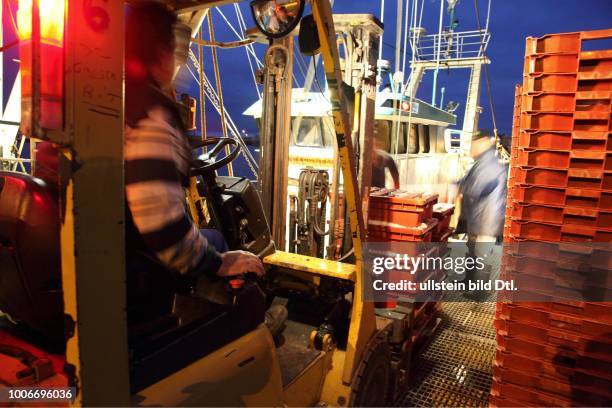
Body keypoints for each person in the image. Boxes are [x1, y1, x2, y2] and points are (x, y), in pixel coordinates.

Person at [456, 129, 508, 294]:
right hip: (476, 217)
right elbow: (466, 180)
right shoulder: (480, 161)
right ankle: (468, 282)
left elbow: (476, 187)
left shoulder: (490, 163)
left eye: (475, 143)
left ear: (485, 142)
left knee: (481, 254)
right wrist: (455, 184)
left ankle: (480, 292)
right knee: (471, 250)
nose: (472, 148)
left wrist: (457, 189)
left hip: (487, 218)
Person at [371, 121, 400, 189]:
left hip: (380, 190)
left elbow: (395, 173)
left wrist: (396, 188)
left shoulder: (385, 157)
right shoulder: (361, 158)